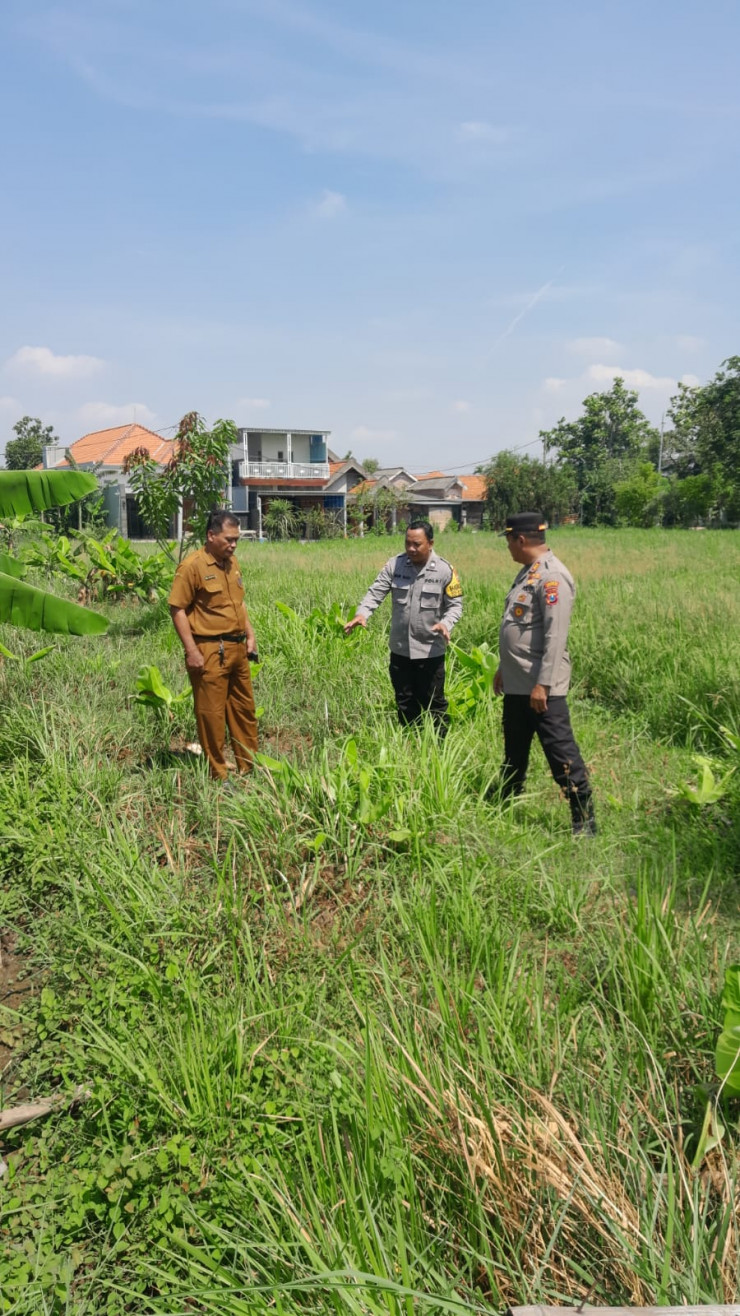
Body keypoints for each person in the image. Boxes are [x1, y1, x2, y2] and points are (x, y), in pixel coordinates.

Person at [493, 511, 596, 835]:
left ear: (520, 540)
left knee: (561, 754)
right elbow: (519, 628)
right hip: (517, 682)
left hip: (541, 688)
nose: (507, 547)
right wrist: (503, 668)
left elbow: (555, 636)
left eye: (509, 541)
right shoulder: (528, 573)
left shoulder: (553, 577)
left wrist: (543, 684)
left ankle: (584, 821)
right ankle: (507, 801)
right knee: (514, 750)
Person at [344, 519, 463, 736]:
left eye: (417, 544)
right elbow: (375, 592)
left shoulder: (445, 571)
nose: (411, 549)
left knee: (434, 703)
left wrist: (446, 624)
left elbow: (455, 606)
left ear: (431, 543)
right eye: (407, 543)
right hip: (401, 649)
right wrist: (362, 613)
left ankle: (439, 748)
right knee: (404, 700)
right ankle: (411, 743)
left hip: (430, 651)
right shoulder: (395, 565)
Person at [168, 510, 259, 781]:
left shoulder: (232, 564)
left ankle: (249, 767)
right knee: (212, 716)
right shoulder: (192, 566)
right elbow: (177, 609)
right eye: (228, 539)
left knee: (244, 711)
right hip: (209, 650)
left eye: (236, 540)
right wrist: (192, 651)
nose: (233, 545)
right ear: (211, 535)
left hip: (237, 649)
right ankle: (218, 774)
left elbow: (238, 603)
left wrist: (250, 634)